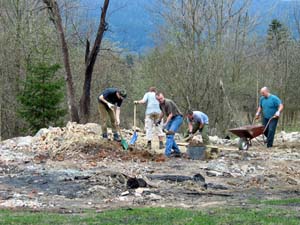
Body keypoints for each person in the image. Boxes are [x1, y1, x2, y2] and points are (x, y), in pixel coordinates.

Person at [156, 92, 183, 157]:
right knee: (169, 135)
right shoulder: (160, 104)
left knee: (170, 134)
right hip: (171, 119)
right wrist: (159, 120)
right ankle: (177, 152)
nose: (160, 100)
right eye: (159, 99)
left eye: (161, 98)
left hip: (177, 118)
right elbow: (163, 112)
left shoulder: (168, 102)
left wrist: (165, 123)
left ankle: (167, 154)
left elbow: (170, 114)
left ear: (163, 96)